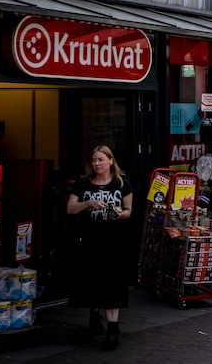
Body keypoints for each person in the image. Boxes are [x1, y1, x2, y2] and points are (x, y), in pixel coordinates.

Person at [66, 145, 134, 351]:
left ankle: (113, 330)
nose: (96, 164)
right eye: (93, 160)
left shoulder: (122, 184)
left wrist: (119, 214)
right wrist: (88, 204)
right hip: (89, 240)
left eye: (100, 160)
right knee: (92, 281)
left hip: (114, 241)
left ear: (111, 161)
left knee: (113, 283)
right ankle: (94, 318)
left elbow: (129, 211)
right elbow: (70, 208)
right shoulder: (84, 184)